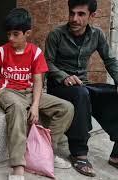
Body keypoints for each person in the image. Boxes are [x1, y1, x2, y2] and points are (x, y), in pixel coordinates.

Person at [0, 8, 74, 180]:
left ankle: (46, 152)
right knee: (18, 109)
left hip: (29, 93)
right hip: (8, 92)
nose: (10, 38)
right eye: (8, 34)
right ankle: (18, 165)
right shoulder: (2, 51)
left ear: (27, 33)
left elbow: (38, 81)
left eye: (16, 34)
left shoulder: (36, 52)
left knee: (66, 108)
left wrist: (34, 105)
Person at [45, 0, 118, 177]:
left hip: (82, 85)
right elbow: (46, 63)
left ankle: (116, 155)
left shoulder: (97, 35)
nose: (74, 18)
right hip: (59, 86)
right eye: (72, 13)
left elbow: (109, 60)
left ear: (92, 16)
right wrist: (64, 76)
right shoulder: (56, 35)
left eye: (81, 14)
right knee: (81, 94)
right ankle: (79, 152)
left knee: (112, 95)